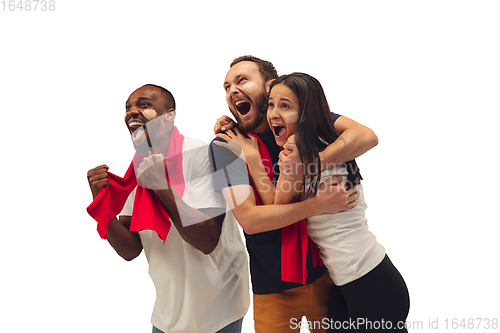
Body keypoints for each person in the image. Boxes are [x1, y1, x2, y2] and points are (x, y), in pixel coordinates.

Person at [223, 72, 410, 332]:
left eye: (285, 106)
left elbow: (274, 208)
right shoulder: (330, 138)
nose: (274, 113)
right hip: (353, 281)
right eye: (271, 105)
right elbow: (263, 213)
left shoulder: (294, 151)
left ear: (307, 114)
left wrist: (253, 160)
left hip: (367, 282)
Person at [86, 84, 250, 333]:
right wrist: (104, 206)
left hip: (219, 308)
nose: (131, 112)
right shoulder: (137, 169)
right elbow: (130, 249)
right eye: (128, 107)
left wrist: (161, 186)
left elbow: (207, 240)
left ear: (169, 115)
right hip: (167, 316)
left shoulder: (201, 155)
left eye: (143, 104)